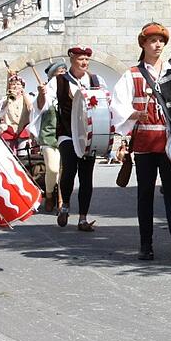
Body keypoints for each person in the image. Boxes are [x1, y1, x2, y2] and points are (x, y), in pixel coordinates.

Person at [111, 22, 171, 263]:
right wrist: (132, 114)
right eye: (152, 40)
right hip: (144, 142)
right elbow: (117, 103)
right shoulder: (132, 74)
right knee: (145, 194)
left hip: (170, 142)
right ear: (143, 44)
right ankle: (145, 245)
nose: (157, 44)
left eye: (160, 40)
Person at [37, 46, 102, 232]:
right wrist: (41, 95)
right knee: (69, 169)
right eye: (81, 59)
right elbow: (43, 105)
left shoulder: (96, 80)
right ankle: (64, 205)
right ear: (72, 59)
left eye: (87, 60)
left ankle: (83, 218)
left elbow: (105, 104)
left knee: (86, 176)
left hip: (89, 133)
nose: (84, 63)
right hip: (67, 131)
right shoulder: (59, 81)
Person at [30, 60, 66, 212]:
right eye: (60, 72)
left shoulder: (70, 90)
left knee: (65, 170)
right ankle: (50, 194)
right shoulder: (47, 92)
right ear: (52, 76)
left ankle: (62, 198)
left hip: (66, 136)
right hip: (49, 137)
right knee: (52, 168)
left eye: (65, 71)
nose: (63, 74)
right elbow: (39, 107)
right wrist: (41, 94)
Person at [0, 72, 32, 155]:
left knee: (24, 155)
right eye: (13, 84)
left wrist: (24, 94)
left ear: (22, 86)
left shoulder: (28, 97)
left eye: (18, 84)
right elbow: (1, 109)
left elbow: (31, 108)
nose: (16, 86)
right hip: (9, 130)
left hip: (23, 130)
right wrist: (9, 97)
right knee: (8, 155)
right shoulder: (5, 99)